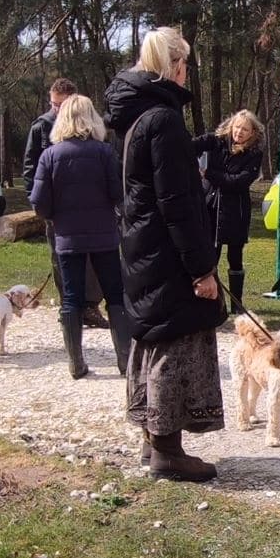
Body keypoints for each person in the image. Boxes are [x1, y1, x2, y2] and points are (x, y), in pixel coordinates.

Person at [104, 26, 226, 483]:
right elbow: (177, 202)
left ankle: (151, 438)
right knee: (175, 341)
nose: (188, 73)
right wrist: (201, 268)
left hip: (141, 245)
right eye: (186, 65)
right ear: (174, 67)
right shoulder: (163, 119)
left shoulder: (134, 115)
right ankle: (168, 451)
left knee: (152, 336)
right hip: (165, 251)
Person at [29, 95, 130, 380]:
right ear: (92, 118)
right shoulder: (104, 152)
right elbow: (117, 194)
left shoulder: (50, 155)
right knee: (114, 294)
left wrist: (54, 216)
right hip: (103, 235)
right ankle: (125, 359)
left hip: (67, 236)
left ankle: (76, 363)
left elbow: (39, 202)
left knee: (71, 298)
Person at [23, 78, 109, 330]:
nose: (57, 110)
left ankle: (90, 307)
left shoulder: (92, 128)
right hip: (58, 209)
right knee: (60, 258)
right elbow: (30, 168)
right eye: (53, 104)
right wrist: (37, 202)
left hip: (90, 207)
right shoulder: (41, 126)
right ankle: (69, 307)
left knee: (93, 260)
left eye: (62, 105)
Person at [192, 109, 266, 312]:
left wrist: (208, 173)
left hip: (236, 212)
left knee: (235, 257)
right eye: (237, 127)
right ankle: (212, 300)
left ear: (252, 133)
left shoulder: (254, 154)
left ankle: (236, 303)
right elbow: (189, 145)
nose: (239, 132)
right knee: (210, 255)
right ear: (231, 126)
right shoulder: (216, 142)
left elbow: (238, 182)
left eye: (245, 129)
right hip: (211, 207)